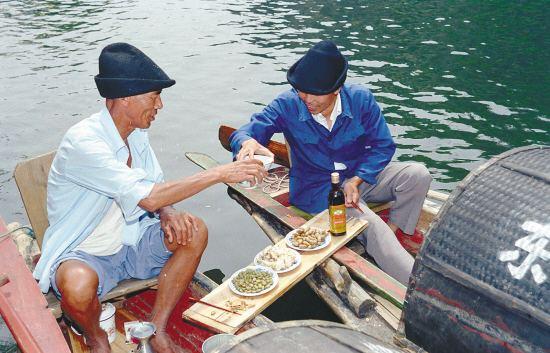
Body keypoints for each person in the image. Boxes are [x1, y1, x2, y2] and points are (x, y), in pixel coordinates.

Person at [33, 43, 266, 353]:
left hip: (131, 240)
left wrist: (168, 210)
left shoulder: (136, 134)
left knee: (194, 230)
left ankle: (156, 326)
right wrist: (220, 173)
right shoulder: (84, 143)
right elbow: (148, 198)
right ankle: (96, 337)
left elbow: (156, 188)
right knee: (76, 286)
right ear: (126, 98)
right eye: (154, 96)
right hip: (85, 251)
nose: (159, 105)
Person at [229, 40, 432, 285]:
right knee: (367, 222)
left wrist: (356, 181)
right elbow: (247, 130)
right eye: (301, 90)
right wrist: (246, 142)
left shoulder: (361, 100)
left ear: (337, 89)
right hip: (319, 190)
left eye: (314, 93)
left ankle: (394, 235)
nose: (306, 98)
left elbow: (382, 146)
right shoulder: (288, 104)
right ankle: (418, 287)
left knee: (417, 175)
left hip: (358, 177)